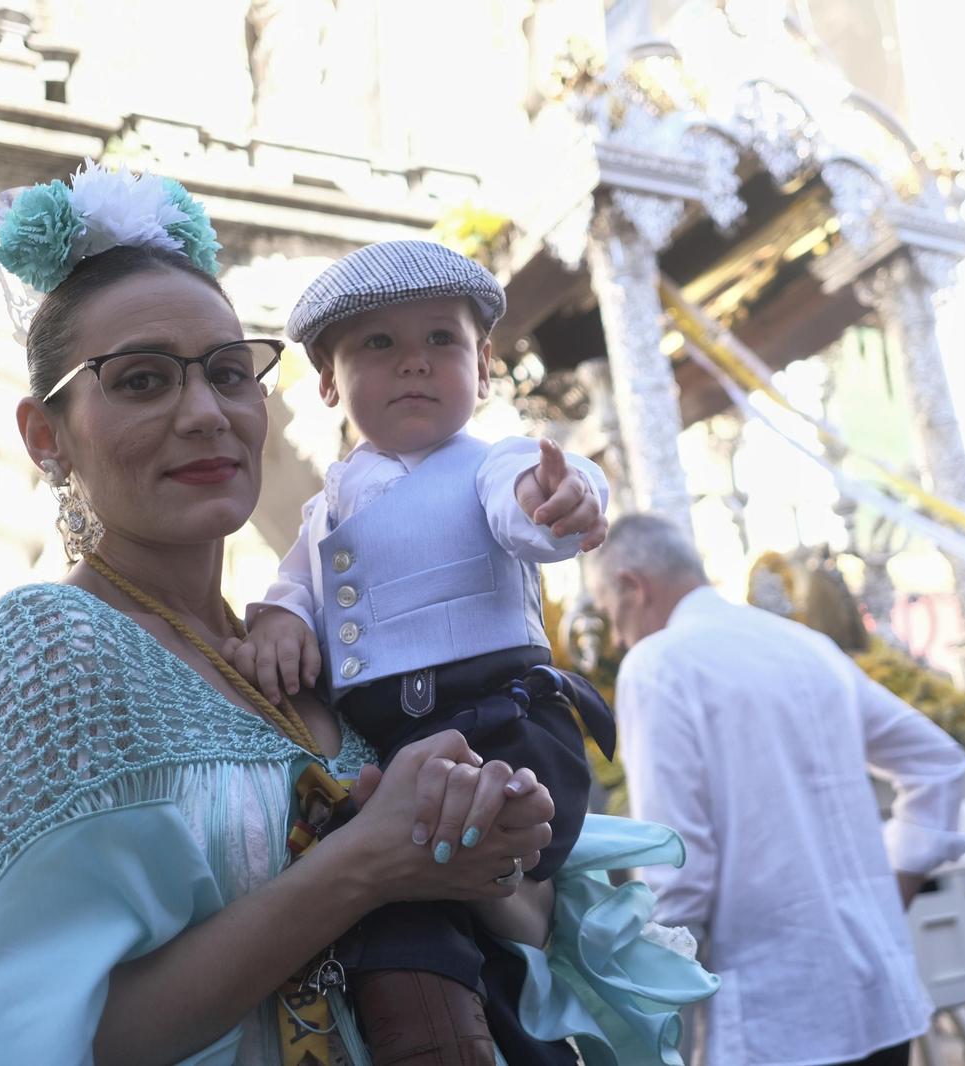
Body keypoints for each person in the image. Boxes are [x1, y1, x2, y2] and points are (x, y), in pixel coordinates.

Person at [0, 167, 713, 1066]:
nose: (206, 413)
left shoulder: (304, 661)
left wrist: (488, 831)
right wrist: (363, 865)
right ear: (47, 435)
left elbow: (528, 925)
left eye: (230, 373)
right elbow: (31, 1036)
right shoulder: (52, 647)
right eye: (142, 380)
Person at [229, 240, 616, 1064]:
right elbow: (297, 582)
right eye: (379, 343)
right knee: (417, 921)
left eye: (442, 339)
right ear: (327, 381)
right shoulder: (328, 504)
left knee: (457, 890)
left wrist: (558, 500)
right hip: (397, 752)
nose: (414, 362)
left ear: (484, 365)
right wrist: (279, 622)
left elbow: (526, 503)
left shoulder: (494, 464)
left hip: (501, 732)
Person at [585, 514, 965, 1066]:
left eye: (610, 616)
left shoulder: (657, 665)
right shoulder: (808, 646)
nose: (618, 637)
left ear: (633, 585)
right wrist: (891, 895)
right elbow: (939, 764)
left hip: (779, 1016)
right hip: (881, 999)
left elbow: (676, 872)